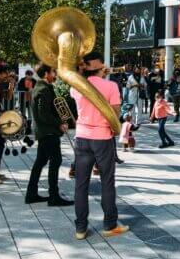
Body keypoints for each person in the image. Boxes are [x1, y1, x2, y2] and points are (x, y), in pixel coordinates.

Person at [70, 53, 128, 240]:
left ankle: (80, 229)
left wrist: (84, 70)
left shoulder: (77, 86)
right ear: (101, 66)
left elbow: (80, 77)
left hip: (82, 137)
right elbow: (116, 113)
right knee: (107, 181)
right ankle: (109, 225)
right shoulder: (111, 86)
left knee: (81, 184)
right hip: (102, 137)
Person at [25, 63, 74, 206]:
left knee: (40, 162)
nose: (56, 75)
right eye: (53, 72)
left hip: (45, 132)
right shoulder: (42, 90)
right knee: (56, 161)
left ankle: (31, 194)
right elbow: (43, 114)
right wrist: (60, 122)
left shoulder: (43, 88)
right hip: (48, 132)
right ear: (46, 74)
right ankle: (53, 196)